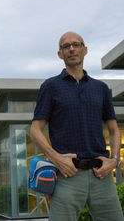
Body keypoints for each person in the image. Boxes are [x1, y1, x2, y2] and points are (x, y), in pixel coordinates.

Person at [30, 31, 124, 221]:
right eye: (66, 46)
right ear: (60, 54)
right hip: (68, 175)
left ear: (85, 50)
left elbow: (114, 130)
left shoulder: (101, 89)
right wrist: (56, 159)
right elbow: (34, 130)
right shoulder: (50, 87)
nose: (71, 49)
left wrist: (114, 160)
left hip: (102, 174)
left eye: (76, 44)